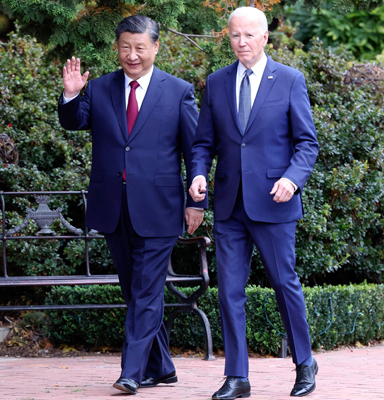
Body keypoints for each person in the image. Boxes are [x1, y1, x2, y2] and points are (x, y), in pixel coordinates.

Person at [58, 14, 207, 395]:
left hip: (159, 207)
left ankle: (132, 371)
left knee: (145, 291)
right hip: (112, 205)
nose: (132, 55)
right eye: (126, 47)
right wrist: (73, 94)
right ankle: (164, 368)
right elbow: (75, 123)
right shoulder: (101, 87)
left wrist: (197, 202)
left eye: (140, 47)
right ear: (117, 48)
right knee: (134, 290)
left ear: (156, 47)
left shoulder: (178, 91)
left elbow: (195, 151)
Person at [189, 6, 320, 399]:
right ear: (227, 38)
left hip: (274, 203)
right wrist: (197, 174)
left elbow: (307, 143)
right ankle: (237, 377)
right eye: (234, 35)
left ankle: (304, 363)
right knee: (229, 291)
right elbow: (202, 143)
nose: (241, 42)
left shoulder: (290, 80)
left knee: (284, 283)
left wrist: (292, 180)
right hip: (229, 205)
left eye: (249, 35)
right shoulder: (216, 83)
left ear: (266, 37)